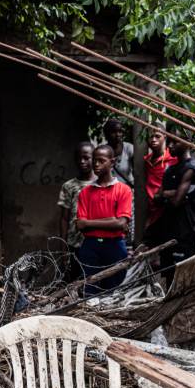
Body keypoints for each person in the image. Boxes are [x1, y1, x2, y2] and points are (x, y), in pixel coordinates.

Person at [75, 144, 133, 296]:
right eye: (94, 160)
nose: (96, 164)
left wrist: (90, 222)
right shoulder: (85, 192)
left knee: (114, 291)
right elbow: (81, 225)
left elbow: (121, 223)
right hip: (90, 246)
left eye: (101, 160)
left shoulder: (123, 190)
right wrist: (110, 221)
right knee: (90, 291)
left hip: (114, 246)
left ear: (112, 162)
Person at [147, 129, 195, 286]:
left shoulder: (191, 168)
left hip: (184, 230)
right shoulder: (170, 169)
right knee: (169, 275)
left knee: (183, 275)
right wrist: (168, 193)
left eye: (175, 141)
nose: (170, 145)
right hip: (168, 229)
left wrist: (167, 195)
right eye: (169, 140)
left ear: (188, 142)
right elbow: (156, 198)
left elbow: (176, 201)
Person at [57, 142, 96, 280]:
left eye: (86, 158)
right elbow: (64, 218)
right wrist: (63, 248)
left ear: (94, 158)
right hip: (74, 244)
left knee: (94, 280)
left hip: (97, 242)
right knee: (74, 281)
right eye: (79, 158)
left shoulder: (101, 184)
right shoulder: (69, 186)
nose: (82, 161)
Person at [143, 124, 177, 231]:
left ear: (165, 137)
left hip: (166, 210)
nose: (153, 139)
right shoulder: (146, 160)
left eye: (157, 136)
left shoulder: (172, 159)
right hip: (151, 210)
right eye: (151, 136)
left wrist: (169, 194)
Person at [103, 118, 134, 186]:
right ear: (107, 134)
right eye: (113, 132)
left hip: (127, 190)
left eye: (120, 131)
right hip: (109, 191)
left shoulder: (129, 148)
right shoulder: (102, 151)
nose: (118, 135)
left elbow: (138, 172)